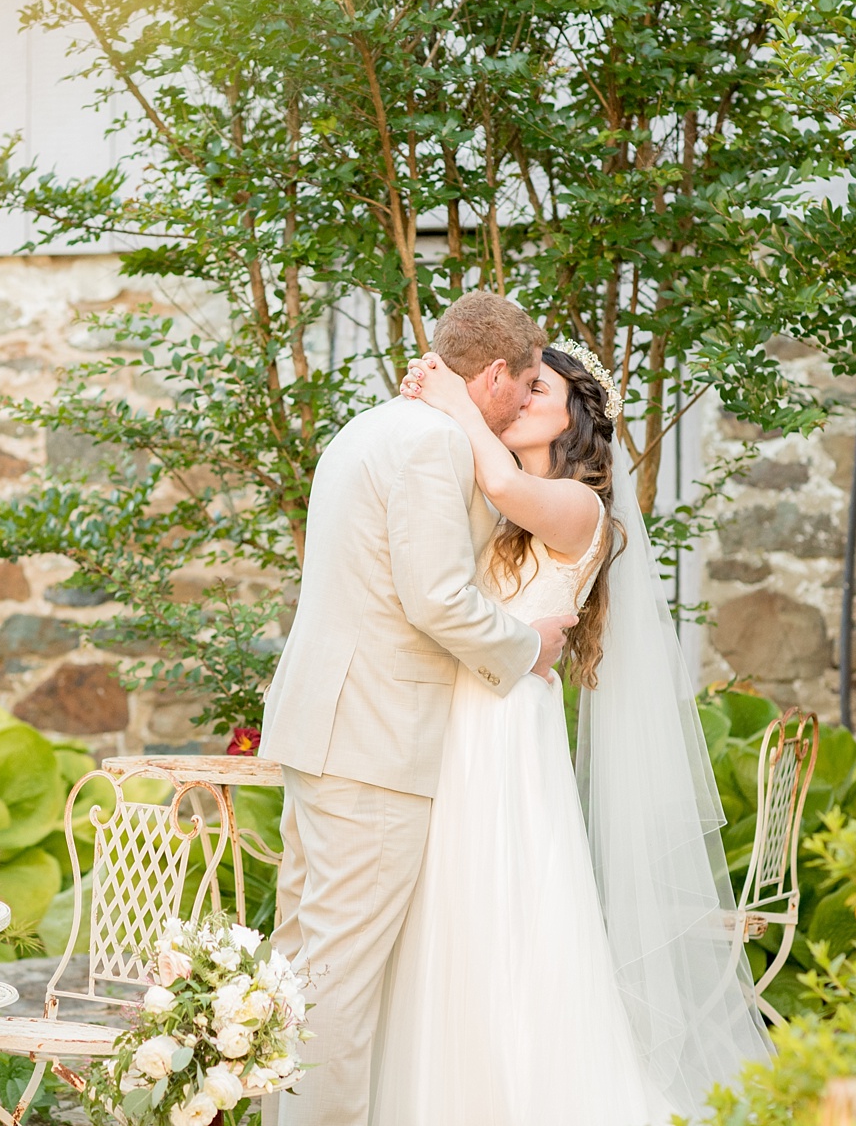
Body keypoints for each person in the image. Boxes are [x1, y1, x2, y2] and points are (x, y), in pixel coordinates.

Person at [370, 344, 772, 1124]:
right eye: (516, 386)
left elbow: (500, 478)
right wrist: (433, 404)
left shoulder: (583, 508)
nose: (518, 398)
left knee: (505, 906)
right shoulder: (500, 508)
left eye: (537, 387)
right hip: (460, 713)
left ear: (576, 415)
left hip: (507, 728)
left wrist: (455, 394)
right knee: (450, 912)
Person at [260, 292, 578, 1126]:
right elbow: (436, 599)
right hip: (373, 739)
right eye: (529, 380)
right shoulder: (433, 442)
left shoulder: (372, 427)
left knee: (300, 964)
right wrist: (527, 646)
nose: (528, 398)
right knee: (339, 981)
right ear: (498, 374)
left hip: (323, 726)